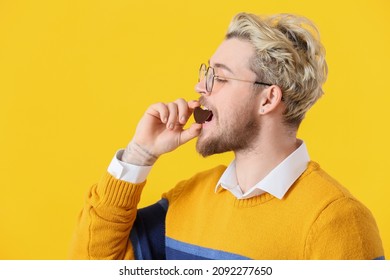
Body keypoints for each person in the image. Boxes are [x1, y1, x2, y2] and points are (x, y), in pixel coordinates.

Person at [69, 12, 384, 260]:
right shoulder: (186, 201)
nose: (200, 89)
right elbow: (90, 264)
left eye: (219, 77)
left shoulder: (336, 221)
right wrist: (139, 154)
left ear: (268, 99)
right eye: (207, 75)